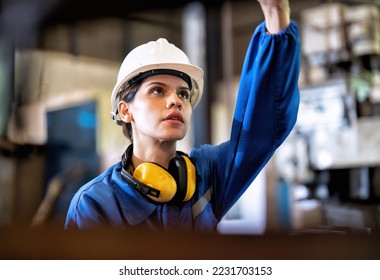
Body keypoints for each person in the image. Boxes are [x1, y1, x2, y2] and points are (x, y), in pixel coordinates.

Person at [65, 0, 300, 231]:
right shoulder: (94, 204)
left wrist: (276, 16)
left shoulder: (207, 175)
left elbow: (261, 131)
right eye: (157, 90)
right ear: (126, 111)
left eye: (184, 94)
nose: (175, 100)